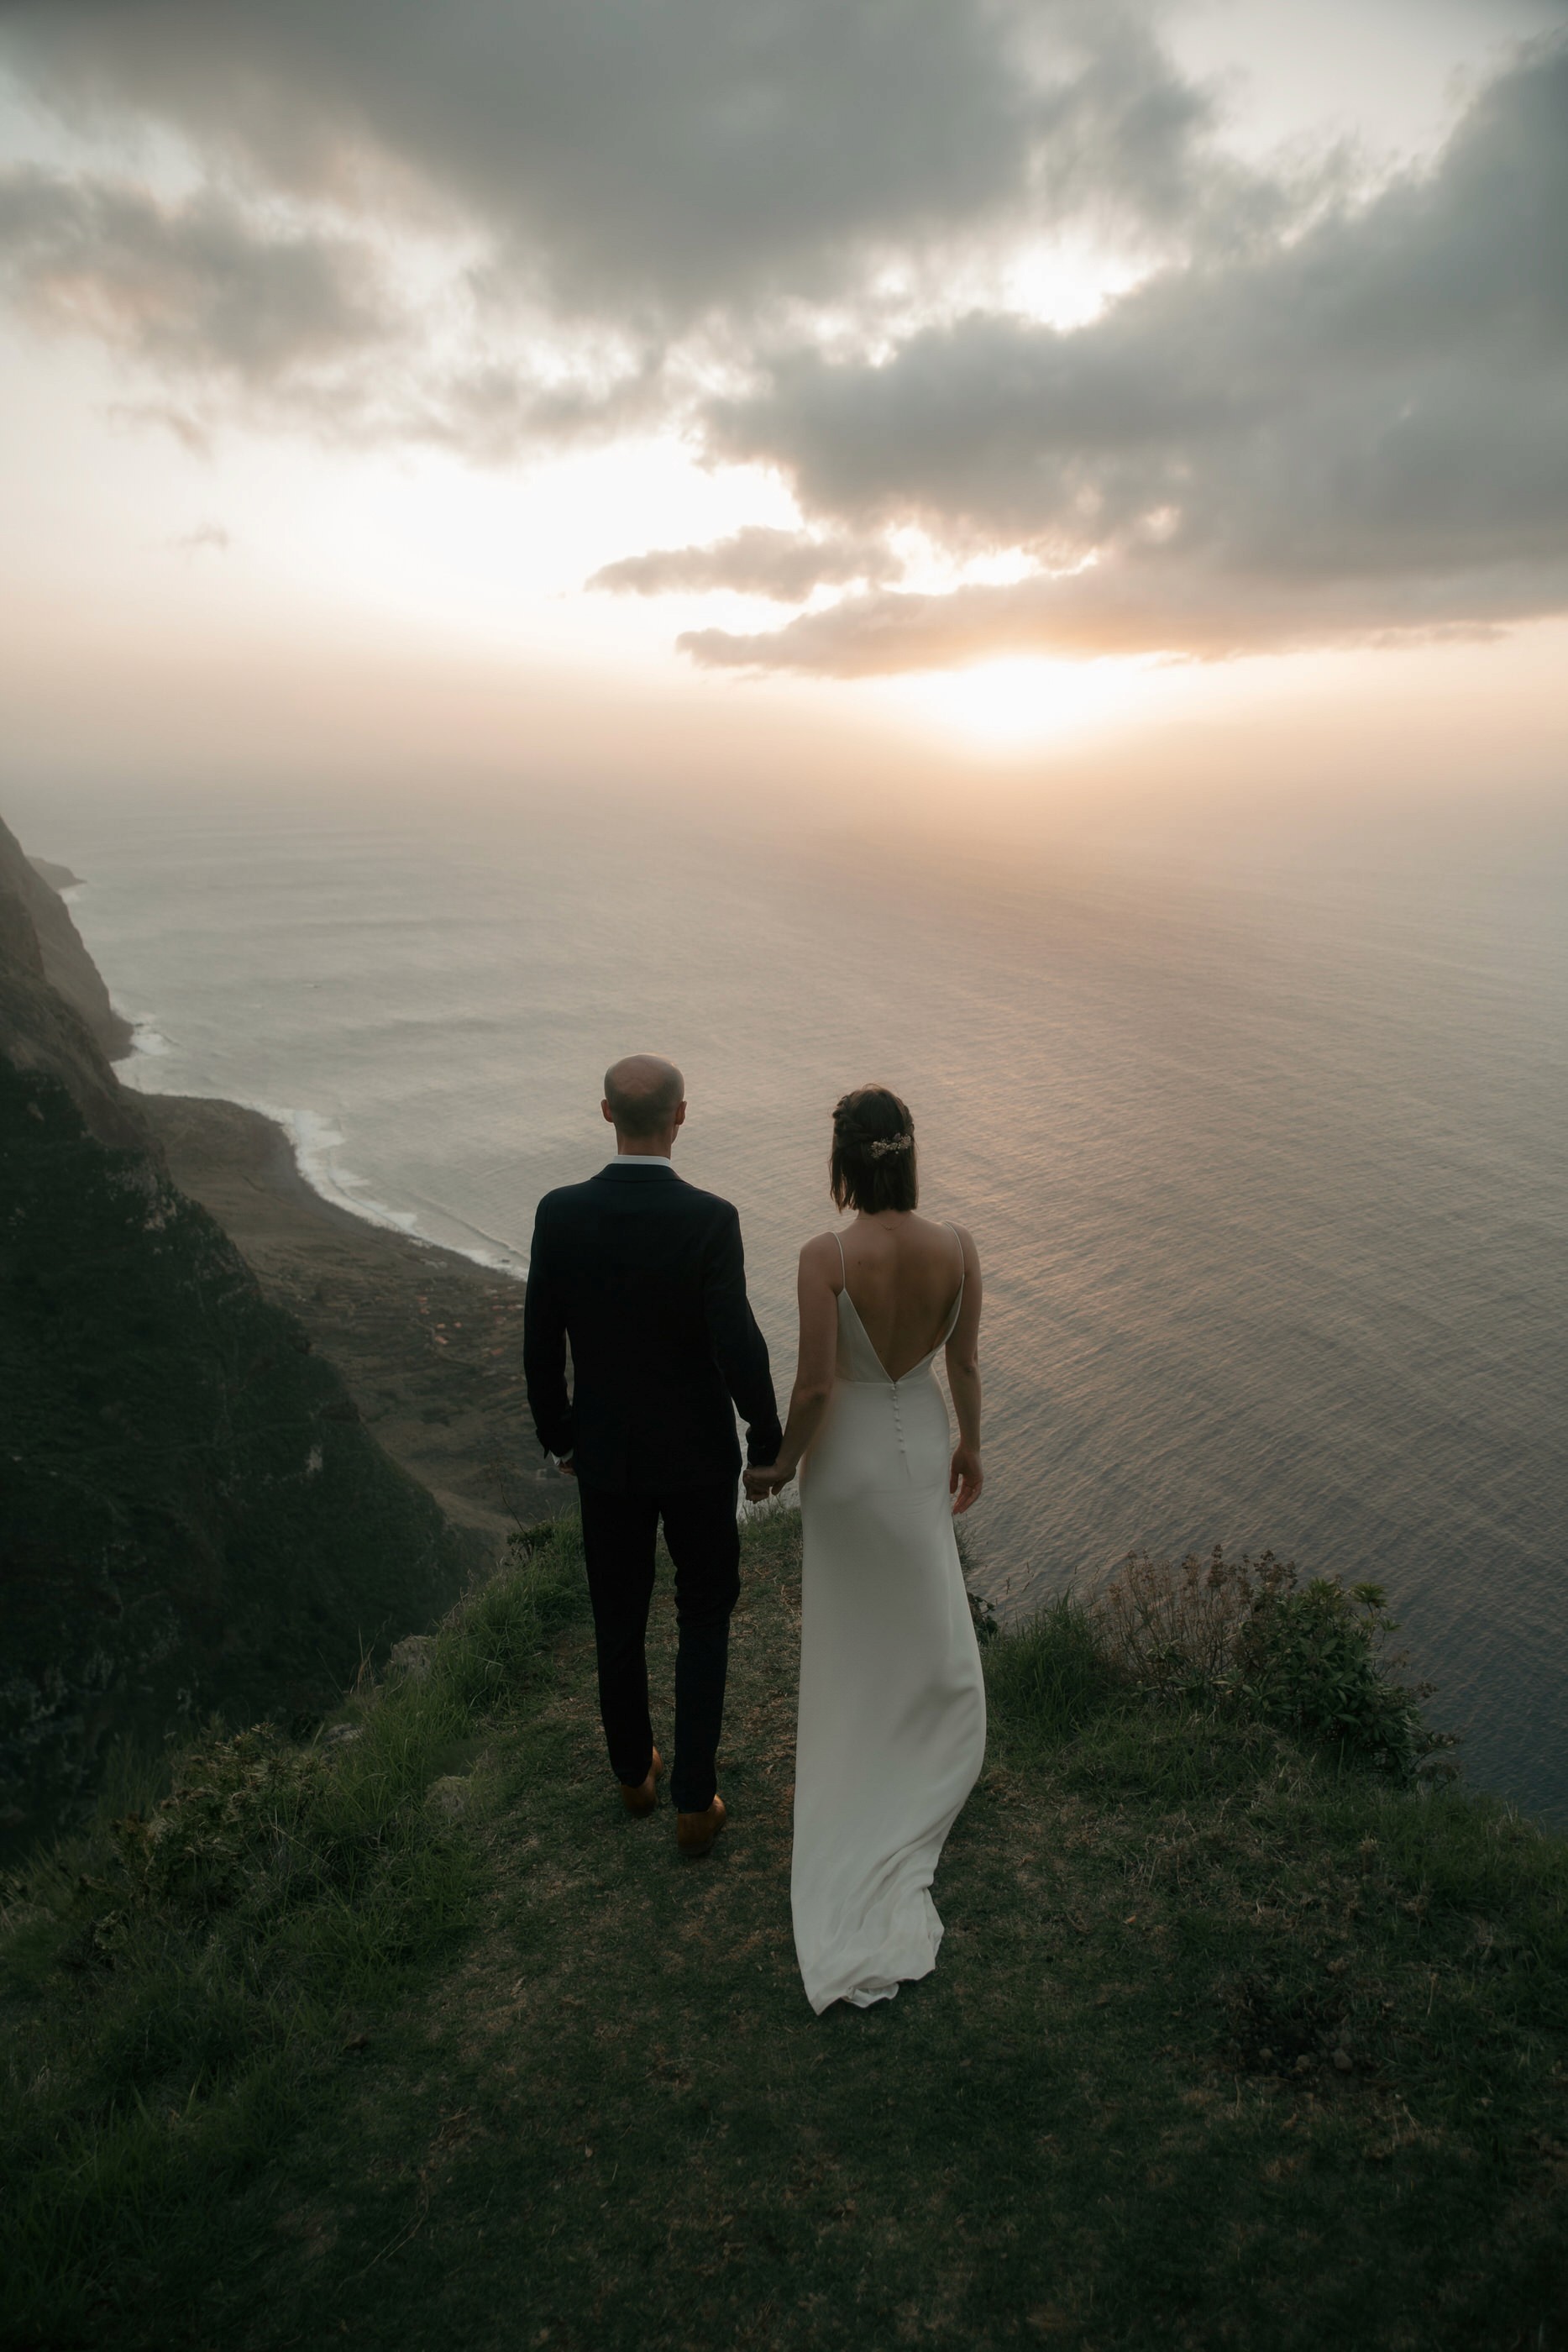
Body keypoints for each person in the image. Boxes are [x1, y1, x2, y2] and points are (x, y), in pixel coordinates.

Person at [745, 1084, 985, 2011]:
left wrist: (775, 1469)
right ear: (908, 1155)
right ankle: (922, 1748)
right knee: (920, 1610)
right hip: (919, 1444)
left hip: (844, 1464)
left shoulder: (825, 1254)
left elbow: (811, 1390)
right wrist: (971, 1444)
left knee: (851, 1628)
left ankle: (857, 1761)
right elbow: (962, 1362)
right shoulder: (959, 1249)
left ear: (843, 1162)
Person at [523, 1054, 781, 1856]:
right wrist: (763, 1438)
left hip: (606, 1457)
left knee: (618, 1616)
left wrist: (561, 1434)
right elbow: (735, 1341)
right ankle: (693, 1800)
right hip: (698, 1458)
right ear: (681, 1116)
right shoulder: (710, 1218)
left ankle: (633, 1776)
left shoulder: (559, 1213)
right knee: (703, 1616)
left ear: (605, 1114)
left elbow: (539, 1344)